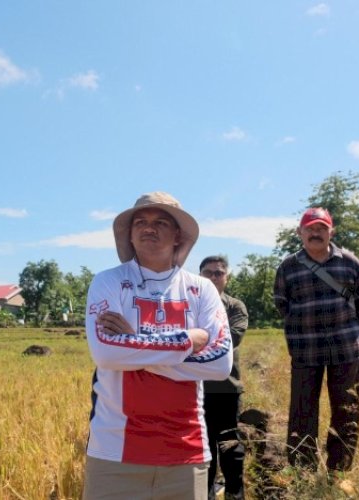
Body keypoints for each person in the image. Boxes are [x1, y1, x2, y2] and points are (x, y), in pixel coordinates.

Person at [83, 192, 233, 500]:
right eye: (141, 221)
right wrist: (189, 340)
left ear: (178, 234)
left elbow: (219, 364)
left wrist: (132, 345)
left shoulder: (201, 289)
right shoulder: (108, 282)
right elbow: (106, 353)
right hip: (114, 451)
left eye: (160, 221)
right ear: (130, 233)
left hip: (186, 450)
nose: (148, 227)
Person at [273, 207, 359, 473]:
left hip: (346, 350)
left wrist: (352, 334)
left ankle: (339, 469)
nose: (315, 233)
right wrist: (303, 330)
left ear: (331, 232)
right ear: (300, 233)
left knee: (346, 410)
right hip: (305, 351)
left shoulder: (351, 263)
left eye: (321, 228)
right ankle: (302, 470)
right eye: (310, 229)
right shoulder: (288, 267)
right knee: (302, 410)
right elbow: (281, 304)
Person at [200, 256, 248, 500]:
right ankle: (205, 495)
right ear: (200, 277)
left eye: (218, 273)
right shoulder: (191, 305)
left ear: (226, 278)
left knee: (231, 447)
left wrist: (196, 339)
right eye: (208, 273)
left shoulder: (235, 307)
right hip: (196, 389)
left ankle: (234, 494)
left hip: (228, 388)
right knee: (202, 449)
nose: (213, 277)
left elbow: (232, 339)